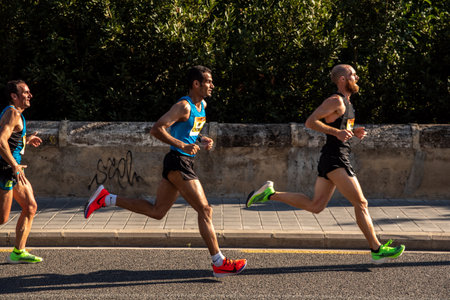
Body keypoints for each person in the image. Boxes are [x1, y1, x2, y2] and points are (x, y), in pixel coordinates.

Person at [85, 66, 247, 277]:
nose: (212, 85)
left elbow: (188, 130)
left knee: (157, 212)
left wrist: (200, 139)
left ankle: (106, 199)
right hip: (178, 161)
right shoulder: (183, 106)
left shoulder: (202, 105)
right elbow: (157, 128)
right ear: (196, 84)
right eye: (208, 81)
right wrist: (182, 145)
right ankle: (219, 262)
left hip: (183, 161)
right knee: (205, 210)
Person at [246, 64, 405, 263]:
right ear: (342, 79)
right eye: (352, 74)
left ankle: (270, 194)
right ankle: (376, 248)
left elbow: (337, 127)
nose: (357, 77)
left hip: (333, 157)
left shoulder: (347, 103)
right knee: (361, 202)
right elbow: (310, 122)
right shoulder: (335, 100)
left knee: (316, 206)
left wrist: (352, 132)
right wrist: (336, 133)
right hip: (335, 158)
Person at [0, 80, 43, 263]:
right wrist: (14, 165)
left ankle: (18, 252)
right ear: (14, 96)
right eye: (25, 92)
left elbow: (11, 141)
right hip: (6, 170)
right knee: (2, 218)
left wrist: (27, 140)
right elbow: (1, 141)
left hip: (14, 171)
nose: (29, 95)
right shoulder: (12, 113)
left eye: (29, 92)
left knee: (30, 206)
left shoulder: (17, 114)